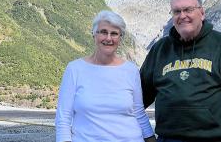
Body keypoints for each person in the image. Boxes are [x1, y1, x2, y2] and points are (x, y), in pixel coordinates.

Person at [140, 0, 221, 142]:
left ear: (202, 12)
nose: (182, 16)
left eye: (188, 9)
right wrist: (147, 136)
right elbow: (137, 100)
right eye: (176, 11)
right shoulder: (159, 49)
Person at [55, 10, 156, 142]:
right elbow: (63, 118)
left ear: (120, 38)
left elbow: (138, 112)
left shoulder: (131, 70)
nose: (108, 38)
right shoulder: (74, 69)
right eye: (103, 32)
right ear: (94, 35)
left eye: (114, 33)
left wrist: (151, 139)